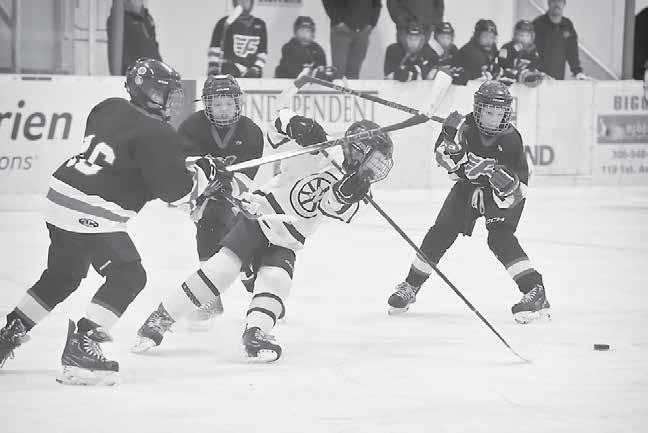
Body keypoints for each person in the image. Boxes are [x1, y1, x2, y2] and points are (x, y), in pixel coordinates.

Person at [0, 59, 224, 385]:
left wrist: (178, 164)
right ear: (149, 92)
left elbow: (129, 154)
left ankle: (9, 333)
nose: (173, 101)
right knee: (128, 275)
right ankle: (82, 346)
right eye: (167, 93)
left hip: (58, 197)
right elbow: (174, 191)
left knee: (63, 276)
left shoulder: (107, 108)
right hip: (89, 210)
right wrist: (203, 174)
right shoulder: (159, 133)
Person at [132, 112, 394, 362]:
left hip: (288, 237)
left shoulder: (360, 188)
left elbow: (330, 207)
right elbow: (276, 129)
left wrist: (343, 194)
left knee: (277, 280)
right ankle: (160, 319)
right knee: (222, 269)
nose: (375, 168)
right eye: (375, 160)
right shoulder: (320, 145)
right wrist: (294, 124)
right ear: (358, 149)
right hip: (258, 215)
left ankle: (255, 334)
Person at [387, 81, 550, 325]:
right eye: (488, 112)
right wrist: (448, 139)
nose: (494, 119)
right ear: (478, 109)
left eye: (499, 114)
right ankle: (411, 286)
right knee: (440, 232)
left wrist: (508, 185)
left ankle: (535, 290)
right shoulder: (463, 127)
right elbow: (445, 162)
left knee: (500, 237)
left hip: (500, 194)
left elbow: (518, 189)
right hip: (468, 186)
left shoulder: (511, 139)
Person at [176, 74, 264, 325]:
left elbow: (246, 176)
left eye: (228, 103)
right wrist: (203, 183)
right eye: (217, 104)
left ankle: (263, 291)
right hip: (204, 196)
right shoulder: (192, 127)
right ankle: (210, 298)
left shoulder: (251, 132)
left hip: (235, 195)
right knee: (209, 228)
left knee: (242, 240)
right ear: (207, 105)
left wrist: (228, 187)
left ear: (237, 103)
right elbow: (184, 164)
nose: (223, 109)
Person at [323, 0, 382, 79]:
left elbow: (377, 4)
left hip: (362, 31)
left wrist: (371, 23)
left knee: (354, 73)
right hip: (341, 31)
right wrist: (337, 21)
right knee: (339, 73)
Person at [207, 0, 268, 78]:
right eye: (240, 0)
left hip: (251, 73)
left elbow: (262, 52)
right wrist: (213, 68)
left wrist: (256, 68)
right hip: (229, 70)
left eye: (247, 0)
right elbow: (215, 48)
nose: (244, 3)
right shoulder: (224, 22)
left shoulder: (260, 24)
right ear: (235, 2)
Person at [532, 0, 590, 80]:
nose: (557, 4)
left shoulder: (567, 25)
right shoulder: (537, 24)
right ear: (549, 3)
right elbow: (531, 52)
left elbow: (572, 51)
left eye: (560, 1)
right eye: (554, 1)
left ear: (564, 4)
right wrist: (537, 73)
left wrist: (577, 72)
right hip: (539, 78)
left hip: (558, 78)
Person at [107, 0, 162, 75]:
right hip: (136, 74)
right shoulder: (120, 20)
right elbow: (119, 53)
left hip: (153, 72)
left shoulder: (147, 18)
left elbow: (154, 46)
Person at [497, 20, 544, 87]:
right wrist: (515, 52)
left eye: (527, 36)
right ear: (515, 35)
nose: (524, 39)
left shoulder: (533, 51)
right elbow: (501, 63)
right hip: (508, 81)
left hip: (526, 84)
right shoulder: (505, 48)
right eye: (521, 35)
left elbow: (536, 65)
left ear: (532, 37)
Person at [455, 19, 501, 84]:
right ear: (477, 36)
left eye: (492, 37)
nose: (489, 41)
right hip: (464, 86)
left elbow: (493, 67)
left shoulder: (491, 47)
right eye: (485, 36)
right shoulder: (470, 51)